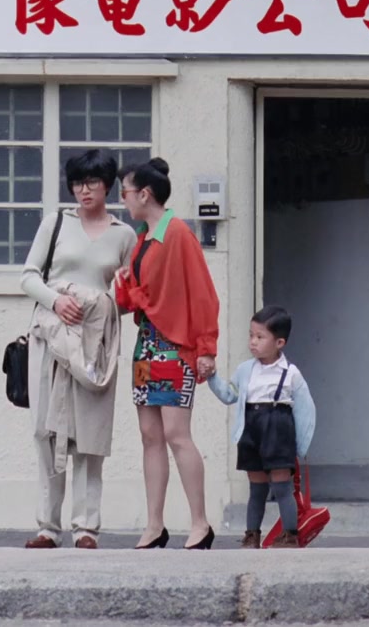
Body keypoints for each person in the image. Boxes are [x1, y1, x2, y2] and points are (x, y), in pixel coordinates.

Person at [20, 149, 137, 550]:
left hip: (95, 344)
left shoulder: (124, 234)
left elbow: (128, 295)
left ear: (107, 186)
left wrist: (103, 304)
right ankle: (47, 527)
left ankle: (86, 528)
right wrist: (56, 301)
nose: (84, 191)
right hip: (51, 337)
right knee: (46, 430)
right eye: (77, 184)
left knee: (90, 432)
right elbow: (28, 277)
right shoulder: (55, 223)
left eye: (92, 183)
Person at [114, 158, 219, 550]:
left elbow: (203, 294)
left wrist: (206, 348)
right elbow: (137, 300)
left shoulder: (177, 234)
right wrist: (124, 283)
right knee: (150, 435)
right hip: (148, 345)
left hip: (175, 347)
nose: (122, 200)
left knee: (176, 434)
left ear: (144, 194)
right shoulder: (144, 237)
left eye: (125, 192)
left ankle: (200, 523)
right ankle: (155, 525)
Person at [205, 306, 316, 549]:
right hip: (251, 427)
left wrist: (301, 446)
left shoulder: (290, 373)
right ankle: (252, 535)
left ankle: (290, 535)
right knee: (256, 487)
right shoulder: (245, 369)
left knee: (282, 486)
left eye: (260, 337)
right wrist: (212, 378)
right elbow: (230, 394)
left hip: (278, 427)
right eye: (251, 335)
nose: (253, 342)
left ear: (279, 342)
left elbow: (305, 409)